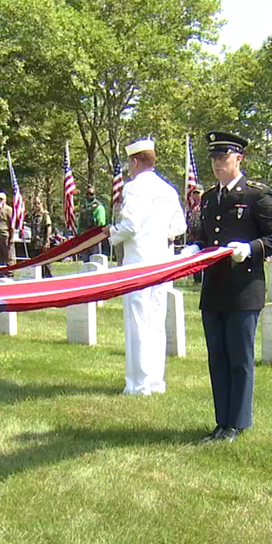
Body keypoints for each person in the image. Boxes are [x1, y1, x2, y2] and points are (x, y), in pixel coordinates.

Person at [190, 131, 272, 443]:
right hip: (214, 288)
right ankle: (222, 422)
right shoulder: (209, 198)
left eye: (224, 158)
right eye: (215, 159)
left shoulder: (256, 196)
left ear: (238, 158)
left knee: (239, 358)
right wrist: (194, 249)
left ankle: (238, 422)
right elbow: (206, 237)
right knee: (217, 357)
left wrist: (251, 247)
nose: (218, 164)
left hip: (244, 288)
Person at [107, 138, 187, 396]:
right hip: (162, 264)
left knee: (138, 323)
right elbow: (179, 227)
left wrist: (112, 234)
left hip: (139, 264)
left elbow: (130, 226)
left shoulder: (133, 189)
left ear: (134, 161)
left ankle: (138, 384)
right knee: (156, 323)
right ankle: (155, 381)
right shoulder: (169, 190)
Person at [82, 185, 109, 259]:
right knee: (85, 258)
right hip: (84, 236)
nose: (89, 196)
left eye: (91, 194)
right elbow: (80, 221)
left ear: (94, 194)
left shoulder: (99, 207)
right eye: (87, 194)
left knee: (95, 257)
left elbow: (101, 222)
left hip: (94, 235)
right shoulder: (83, 206)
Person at [31, 196, 55, 278]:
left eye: (38, 203)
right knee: (36, 265)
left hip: (43, 243)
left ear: (41, 203)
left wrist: (47, 242)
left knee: (46, 265)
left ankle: (48, 279)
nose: (36, 205)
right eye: (35, 204)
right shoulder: (33, 216)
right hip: (35, 244)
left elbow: (49, 228)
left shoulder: (45, 215)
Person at [187, 187, 204, 284]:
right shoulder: (193, 206)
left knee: (201, 257)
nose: (196, 195)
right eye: (194, 193)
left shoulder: (205, 204)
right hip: (192, 236)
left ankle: (201, 279)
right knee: (194, 258)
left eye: (198, 192)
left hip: (201, 235)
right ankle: (196, 279)